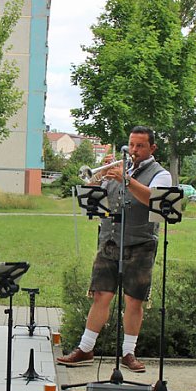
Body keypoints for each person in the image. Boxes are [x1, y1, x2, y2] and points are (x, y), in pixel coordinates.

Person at [56, 126, 171, 371]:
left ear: (152, 148)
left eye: (140, 146)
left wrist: (127, 180)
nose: (134, 150)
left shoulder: (161, 174)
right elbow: (96, 200)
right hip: (109, 239)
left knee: (133, 300)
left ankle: (128, 353)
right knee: (101, 294)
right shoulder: (120, 168)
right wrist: (100, 177)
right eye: (131, 145)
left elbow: (156, 201)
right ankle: (85, 348)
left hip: (141, 242)